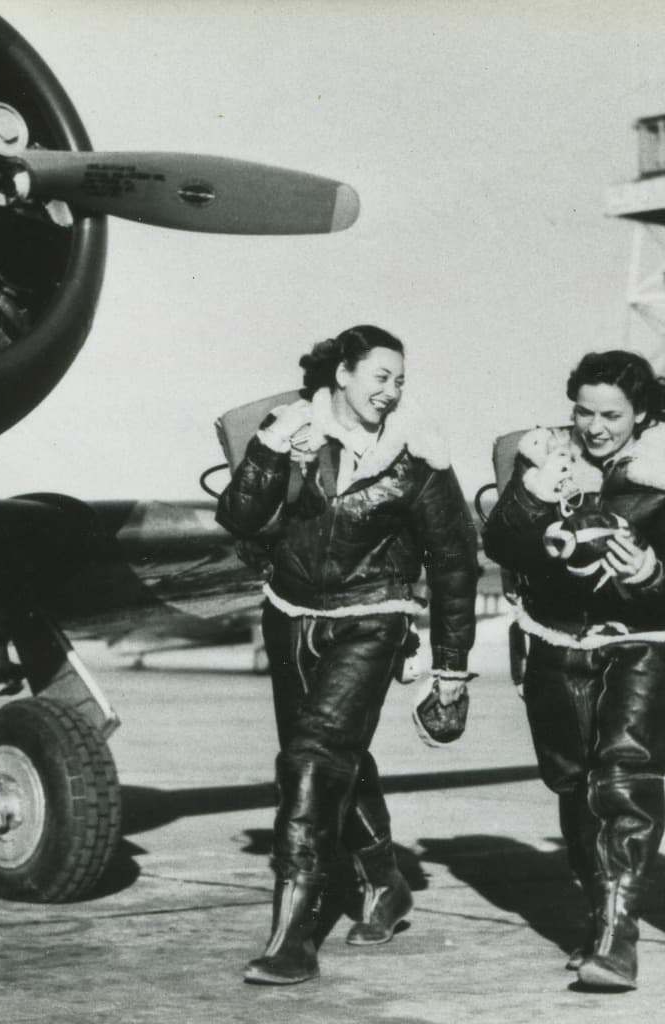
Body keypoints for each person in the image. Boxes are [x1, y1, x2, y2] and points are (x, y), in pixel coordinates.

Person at [216, 325, 479, 986]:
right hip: (289, 616)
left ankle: (292, 934)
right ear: (342, 374)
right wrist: (269, 450)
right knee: (336, 758)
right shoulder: (291, 436)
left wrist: (450, 668)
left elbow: (453, 567)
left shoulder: (418, 462)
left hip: (372, 618)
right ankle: (386, 882)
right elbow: (240, 518)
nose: (390, 393)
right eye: (378, 377)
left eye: (398, 381)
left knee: (308, 762)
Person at [482, 350, 665, 991]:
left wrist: (647, 573)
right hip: (556, 645)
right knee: (575, 786)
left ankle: (618, 938)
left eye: (611, 414)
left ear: (642, 414)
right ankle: (600, 915)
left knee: (624, 784)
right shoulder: (545, 462)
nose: (595, 426)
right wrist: (531, 489)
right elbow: (500, 542)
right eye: (583, 411)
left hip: (641, 644)